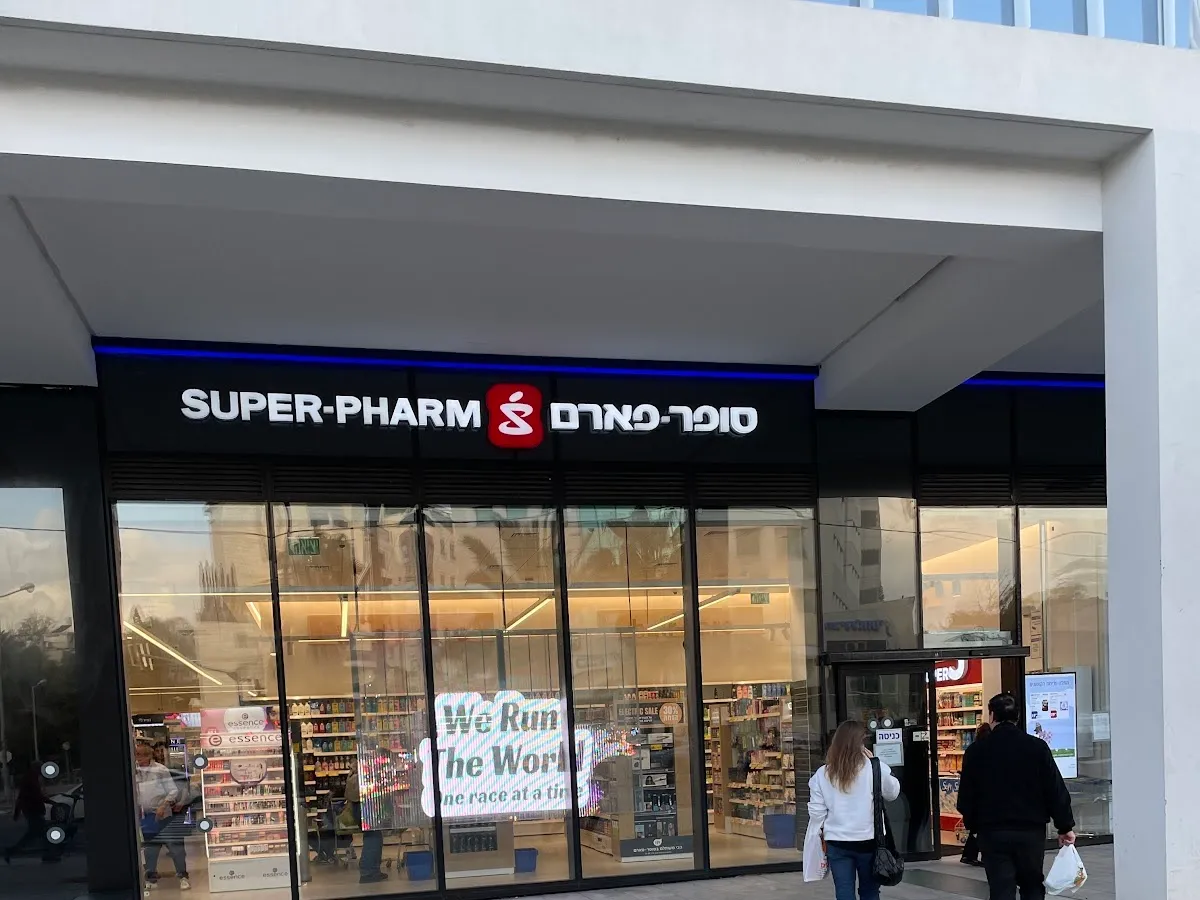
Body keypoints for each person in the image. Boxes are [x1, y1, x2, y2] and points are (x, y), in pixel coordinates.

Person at [957, 693, 1075, 900]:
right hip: (1030, 831)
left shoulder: (976, 751)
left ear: (992, 715)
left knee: (1001, 888)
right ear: (1018, 717)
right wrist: (1065, 826)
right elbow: (1054, 789)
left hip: (992, 831)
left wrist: (973, 826)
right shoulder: (1037, 747)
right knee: (1032, 885)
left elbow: (966, 796)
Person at [807, 721, 901, 900]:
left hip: (837, 842)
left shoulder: (822, 774)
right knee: (870, 892)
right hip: (869, 840)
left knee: (843, 891)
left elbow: (816, 813)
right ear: (860, 743)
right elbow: (892, 793)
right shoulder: (873, 767)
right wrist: (875, 762)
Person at [134, 741, 190, 890]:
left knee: (175, 847)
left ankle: (183, 876)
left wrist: (163, 805)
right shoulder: (135, 771)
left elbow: (173, 790)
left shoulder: (160, 770)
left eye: (140, 755)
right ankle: (151, 878)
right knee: (150, 849)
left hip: (163, 815)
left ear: (148, 755)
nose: (137, 758)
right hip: (146, 817)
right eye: (136, 755)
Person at [959, 721, 992, 867]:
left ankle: (969, 854)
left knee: (976, 828)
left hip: (972, 795)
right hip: (984, 795)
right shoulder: (989, 749)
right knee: (982, 828)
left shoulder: (972, 749)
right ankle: (979, 855)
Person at [5, 767, 55, 863]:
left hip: (31, 811)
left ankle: (12, 851)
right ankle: (47, 855)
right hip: (33, 811)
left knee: (37, 833)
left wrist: (17, 813)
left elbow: (21, 798)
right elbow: (36, 796)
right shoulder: (31, 781)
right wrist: (50, 802)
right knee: (40, 833)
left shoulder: (30, 779)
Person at [345, 769, 386, 884]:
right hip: (365, 805)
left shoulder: (353, 772)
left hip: (358, 805)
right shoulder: (364, 771)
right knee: (373, 838)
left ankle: (373, 870)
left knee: (374, 836)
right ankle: (368, 872)